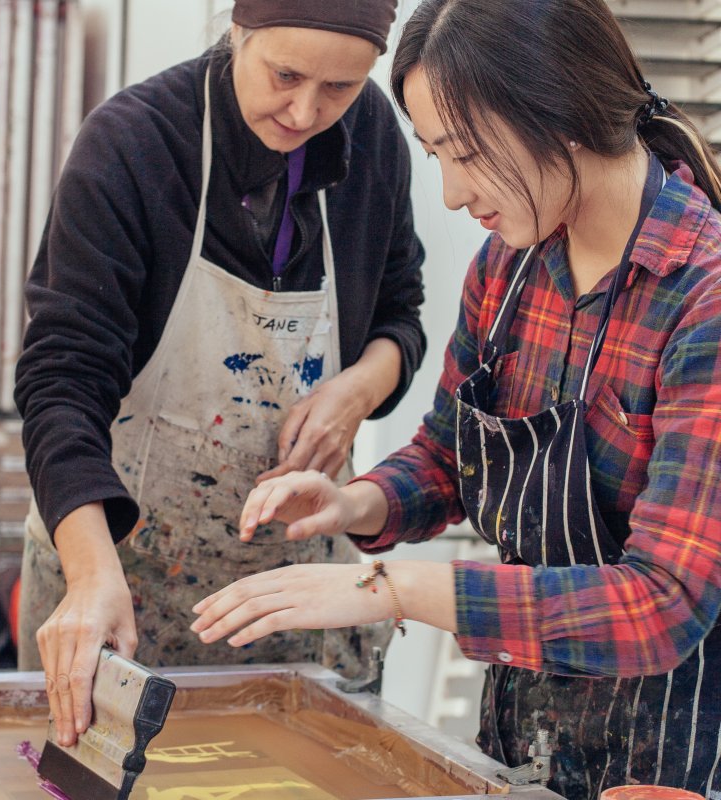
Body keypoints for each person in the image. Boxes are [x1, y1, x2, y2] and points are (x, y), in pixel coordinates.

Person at [191, 1, 721, 798]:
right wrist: (353, 503)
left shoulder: (702, 297)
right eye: (434, 153)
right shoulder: (507, 271)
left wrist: (392, 591)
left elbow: (662, 605)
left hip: (672, 764)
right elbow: (448, 455)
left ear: (561, 112)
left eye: (466, 153)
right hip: (522, 743)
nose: (449, 193)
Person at [14, 0, 426, 749]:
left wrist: (359, 389)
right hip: (122, 581)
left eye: (339, 88)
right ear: (238, 30)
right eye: (286, 74)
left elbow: (403, 311)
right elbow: (61, 378)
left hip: (295, 593)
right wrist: (90, 574)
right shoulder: (135, 143)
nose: (305, 111)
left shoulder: (373, 141)